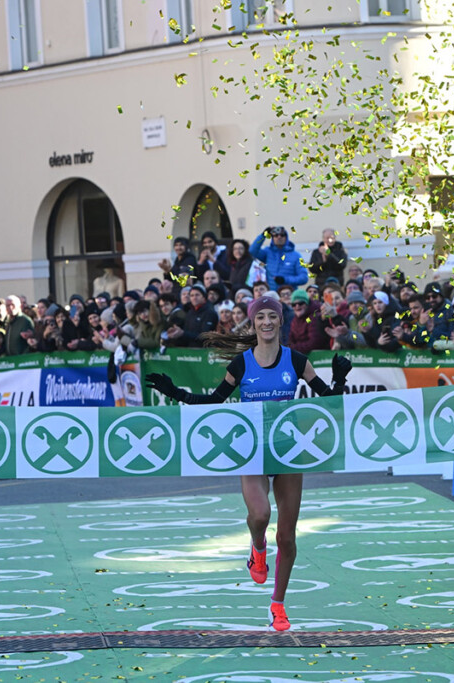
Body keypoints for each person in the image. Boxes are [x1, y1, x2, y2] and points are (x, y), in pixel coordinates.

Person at [145, 296, 352, 631]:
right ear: (253, 323)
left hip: (287, 452)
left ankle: (278, 604)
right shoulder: (241, 364)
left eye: (273, 316)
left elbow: (331, 405)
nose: (267, 322)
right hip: (252, 450)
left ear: (280, 322)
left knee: (287, 536)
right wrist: (177, 393)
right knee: (260, 515)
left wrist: (339, 380)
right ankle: (257, 549)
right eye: (261, 317)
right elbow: (214, 402)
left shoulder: (296, 360)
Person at [249, 226, 309, 292]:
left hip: (288, 295)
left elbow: (304, 278)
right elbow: (252, 251)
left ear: (286, 237)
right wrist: (263, 235)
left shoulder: (296, 255)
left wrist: (284, 280)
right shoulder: (268, 252)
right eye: (276, 235)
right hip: (272, 294)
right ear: (272, 238)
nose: (279, 237)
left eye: (282, 235)